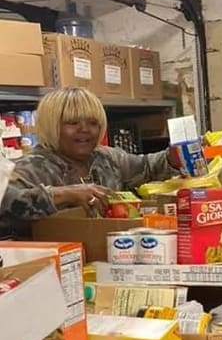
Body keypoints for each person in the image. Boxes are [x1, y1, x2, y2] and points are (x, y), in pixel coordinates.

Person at [0, 87, 178, 238]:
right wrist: (66, 194)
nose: (84, 130)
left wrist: (174, 155)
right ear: (52, 126)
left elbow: (147, 166)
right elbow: (5, 201)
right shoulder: (29, 167)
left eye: (93, 123)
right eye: (72, 123)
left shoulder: (107, 158)